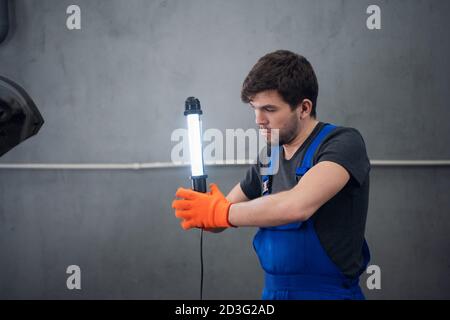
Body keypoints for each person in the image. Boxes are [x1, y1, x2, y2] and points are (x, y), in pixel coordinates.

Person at [172, 50, 371, 300]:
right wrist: (206, 210)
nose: (258, 120)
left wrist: (220, 212)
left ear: (304, 108)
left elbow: (297, 206)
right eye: (254, 108)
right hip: (273, 295)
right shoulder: (269, 158)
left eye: (269, 109)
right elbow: (222, 218)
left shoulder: (342, 144)